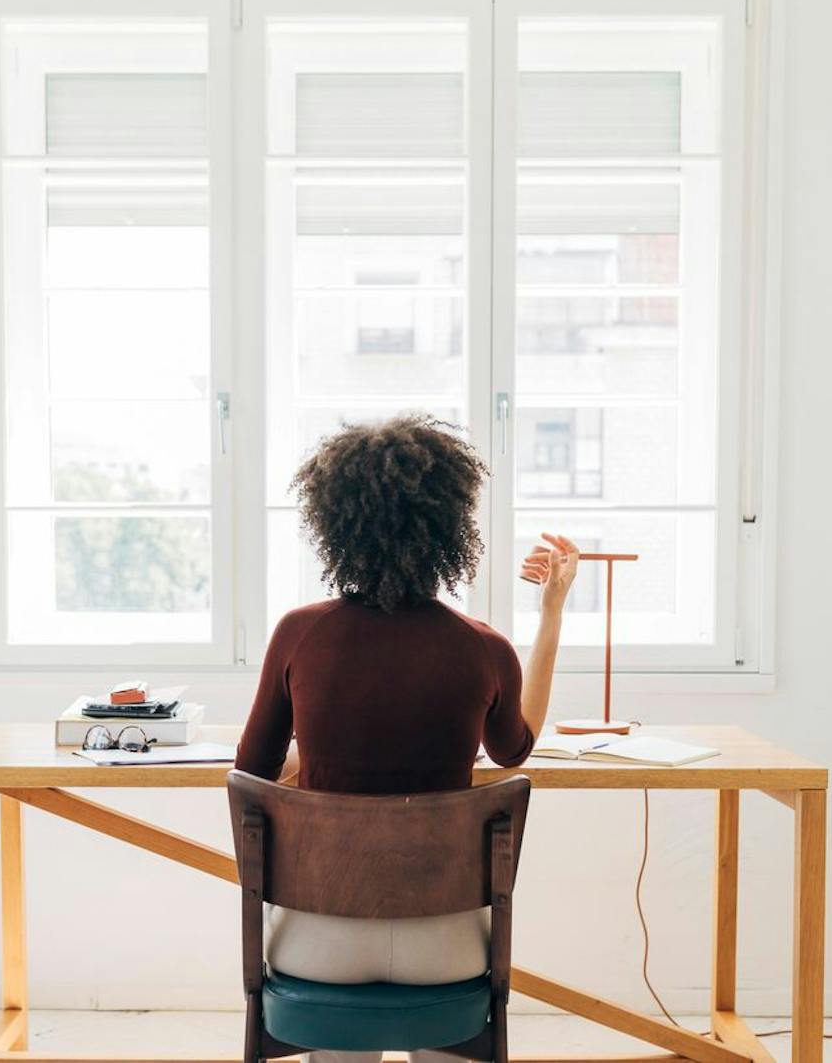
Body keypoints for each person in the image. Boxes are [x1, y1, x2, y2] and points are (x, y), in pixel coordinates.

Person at [234, 413, 579, 1063]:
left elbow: (251, 774)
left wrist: (321, 759)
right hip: (442, 942)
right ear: (452, 525)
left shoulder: (298, 633)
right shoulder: (483, 647)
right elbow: (515, 749)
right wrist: (552, 613)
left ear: (335, 524)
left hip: (319, 938)